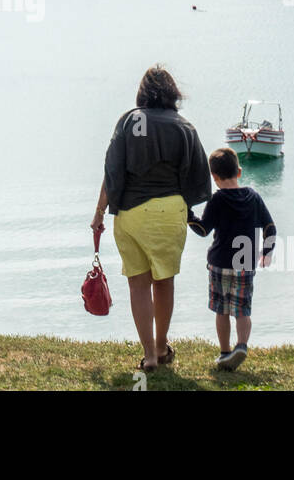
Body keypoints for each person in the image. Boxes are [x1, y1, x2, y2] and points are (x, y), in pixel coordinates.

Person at [91, 66, 211, 373]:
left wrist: (100, 211)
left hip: (131, 213)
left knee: (138, 284)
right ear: (174, 93)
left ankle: (149, 355)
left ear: (142, 93)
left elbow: (113, 170)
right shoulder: (184, 126)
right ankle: (161, 344)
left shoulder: (130, 121)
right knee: (164, 282)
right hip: (170, 212)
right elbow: (198, 175)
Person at [188, 147, 276, 371]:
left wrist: (187, 214)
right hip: (245, 263)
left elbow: (203, 229)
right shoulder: (253, 197)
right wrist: (266, 252)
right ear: (239, 171)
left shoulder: (217, 199)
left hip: (219, 264)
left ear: (214, 177)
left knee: (222, 310)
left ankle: (225, 351)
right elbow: (270, 228)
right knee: (242, 310)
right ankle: (242, 346)